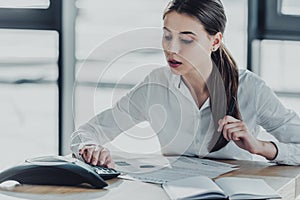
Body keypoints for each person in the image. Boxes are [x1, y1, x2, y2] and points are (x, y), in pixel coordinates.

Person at [70, 0, 300, 168]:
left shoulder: (251, 89)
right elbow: (86, 133)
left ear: (215, 41)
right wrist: (90, 148)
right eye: (167, 36)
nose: (172, 49)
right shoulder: (156, 85)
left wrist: (261, 147)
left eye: (187, 39)